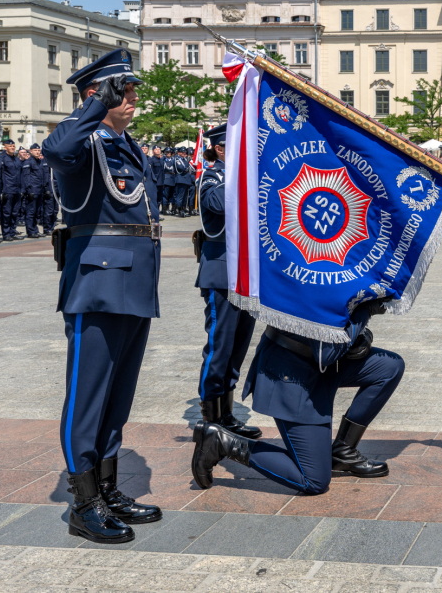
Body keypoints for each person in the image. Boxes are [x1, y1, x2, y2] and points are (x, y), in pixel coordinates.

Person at [42, 49, 162, 544]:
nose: (133, 98)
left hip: (134, 282)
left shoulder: (122, 143)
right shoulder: (85, 142)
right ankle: (83, 500)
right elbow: (56, 147)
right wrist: (93, 106)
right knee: (88, 397)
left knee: (117, 396)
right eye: (124, 91)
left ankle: (108, 488)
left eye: (131, 90)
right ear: (99, 96)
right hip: (99, 283)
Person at [191, 298, 405, 495]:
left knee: (389, 367)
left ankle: (343, 451)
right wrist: (365, 311)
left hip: (321, 365)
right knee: (314, 480)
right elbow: (328, 351)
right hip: (290, 375)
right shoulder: (312, 276)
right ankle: (222, 442)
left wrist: (361, 336)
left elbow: (338, 332)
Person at [194, 124, 262, 439]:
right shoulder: (213, 176)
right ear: (220, 149)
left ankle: (227, 414)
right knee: (219, 346)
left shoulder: (247, 178)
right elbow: (217, 205)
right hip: (221, 273)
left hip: (247, 274)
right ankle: (209, 416)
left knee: (237, 347)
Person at [0, 139, 24, 241]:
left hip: (17, 190)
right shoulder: (2, 159)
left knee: (15, 212)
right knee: (6, 213)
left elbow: (21, 175)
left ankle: (12, 232)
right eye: (10, 146)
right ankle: (6, 233)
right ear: (5, 148)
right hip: (8, 190)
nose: (12, 148)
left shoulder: (17, 160)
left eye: (13, 146)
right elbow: (0, 176)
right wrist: (2, 190)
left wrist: (22, 189)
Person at [22, 144, 46, 238]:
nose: (37, 152)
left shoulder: (40, 162)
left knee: (37, 212)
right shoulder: (28, 162)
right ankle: (30, 231)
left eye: (39, 150)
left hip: (39, 190)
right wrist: (28, 190)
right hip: (32, 190)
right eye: (35, 150)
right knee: (30, 212)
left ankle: (35, 230)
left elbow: (43, 176)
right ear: (30, 151)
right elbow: (26, 177)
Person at [173, 147, 194, 217]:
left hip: (186, 180)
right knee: (180, 196)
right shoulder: (177, 159)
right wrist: (186, 167)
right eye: (182, 152)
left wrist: (186, 167)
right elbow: (181, 168)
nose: (184, 153)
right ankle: (179, 211)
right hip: (181, 179)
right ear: (178, 152)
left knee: (185, 197)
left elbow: (187, 167)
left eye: (185, 152)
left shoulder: (185, 159)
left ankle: (183, 209)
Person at [161, 147, 177, 215]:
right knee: (165, 195)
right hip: (166, 178)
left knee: (171, 195)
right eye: (167, 152)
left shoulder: (173, 160)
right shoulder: (163, 160)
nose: (169, 153)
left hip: (172, 179)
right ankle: (165, 209)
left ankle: (169, 208)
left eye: (170, 152)